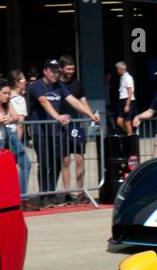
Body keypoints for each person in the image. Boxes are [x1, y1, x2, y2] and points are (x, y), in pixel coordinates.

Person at [57, 56, 98, 201]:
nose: (71, 71)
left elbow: (83, 101)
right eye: (68, 69)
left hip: (77, 125)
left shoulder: (77, 84)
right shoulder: (56, 85)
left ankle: (81, 192)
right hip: (61, 126)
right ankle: (67, 193)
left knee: (80, 159)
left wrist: (91, 115)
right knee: (66, 161)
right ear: (61, 69)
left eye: (73, 69)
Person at [7, 70, 32, 196]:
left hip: (4, 135)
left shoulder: (5, 95)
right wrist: (18, 142)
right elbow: (20, 125)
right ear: (17, 83)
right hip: (13, 135)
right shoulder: (20, 99)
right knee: (26, 165)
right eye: (23, 80)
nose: (25, 82)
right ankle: (21, 195)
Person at [112, 61, 134, 134]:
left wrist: (127, 105)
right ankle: (129, 134)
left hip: (127, 100)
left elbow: (130, 91)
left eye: (118, 69)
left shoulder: (128, 78)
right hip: (121, 100)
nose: (117, 70)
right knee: (119, 121)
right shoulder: (122, 78)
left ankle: (130, 137)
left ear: (122, 69)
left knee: (127, 121)